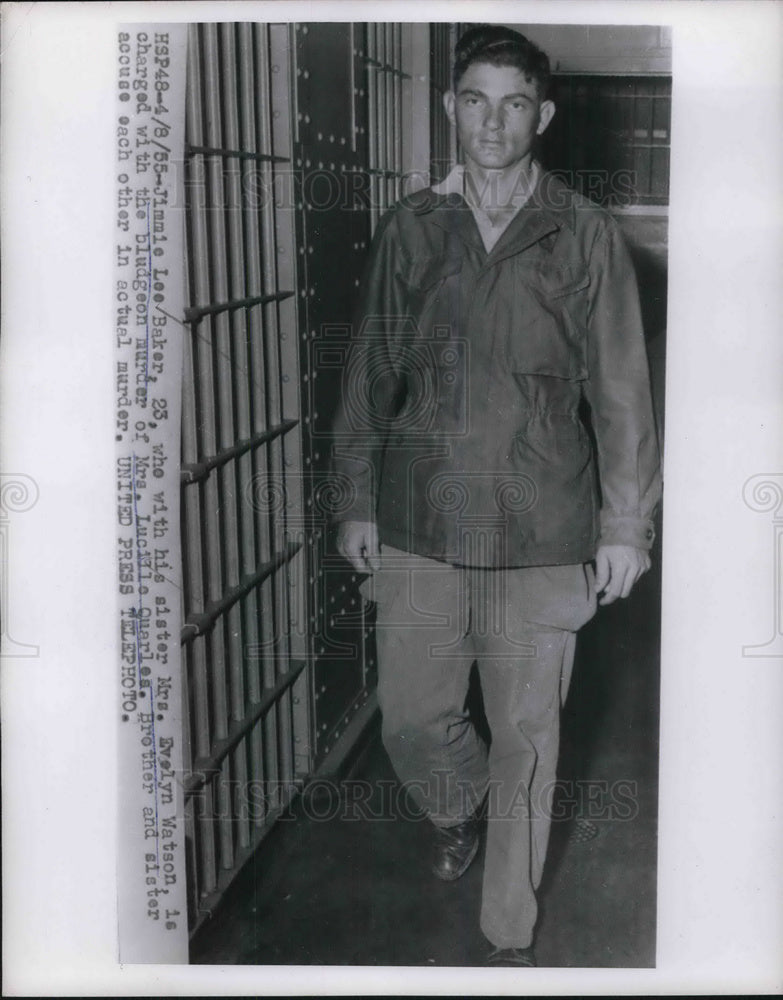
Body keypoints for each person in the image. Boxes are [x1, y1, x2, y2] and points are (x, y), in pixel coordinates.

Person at [330, 24, 662, 967]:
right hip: (421, 521)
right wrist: (355, 497)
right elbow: (367, 373)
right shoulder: (411, 228)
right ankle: (454, 803)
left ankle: (506, 937)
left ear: (542, 116)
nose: (492, 120)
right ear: (449, 108)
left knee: (528, 741)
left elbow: (623, 392)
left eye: (513, 103)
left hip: (543, 524)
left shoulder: (584, 233)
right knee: (411, 719)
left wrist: (624, 525)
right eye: (474, 98)